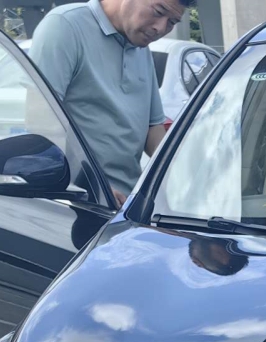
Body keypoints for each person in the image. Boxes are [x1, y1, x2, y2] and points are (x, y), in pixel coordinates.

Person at [29, 0, 192, 205]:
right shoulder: (65, 25)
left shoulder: (140, 47)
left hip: (129, 203)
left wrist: (188, 175)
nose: (160, 28)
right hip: (82, 202)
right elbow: (41, 123)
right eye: (159, 11)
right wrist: (92, 186)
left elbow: (153, 128)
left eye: (172, 22)